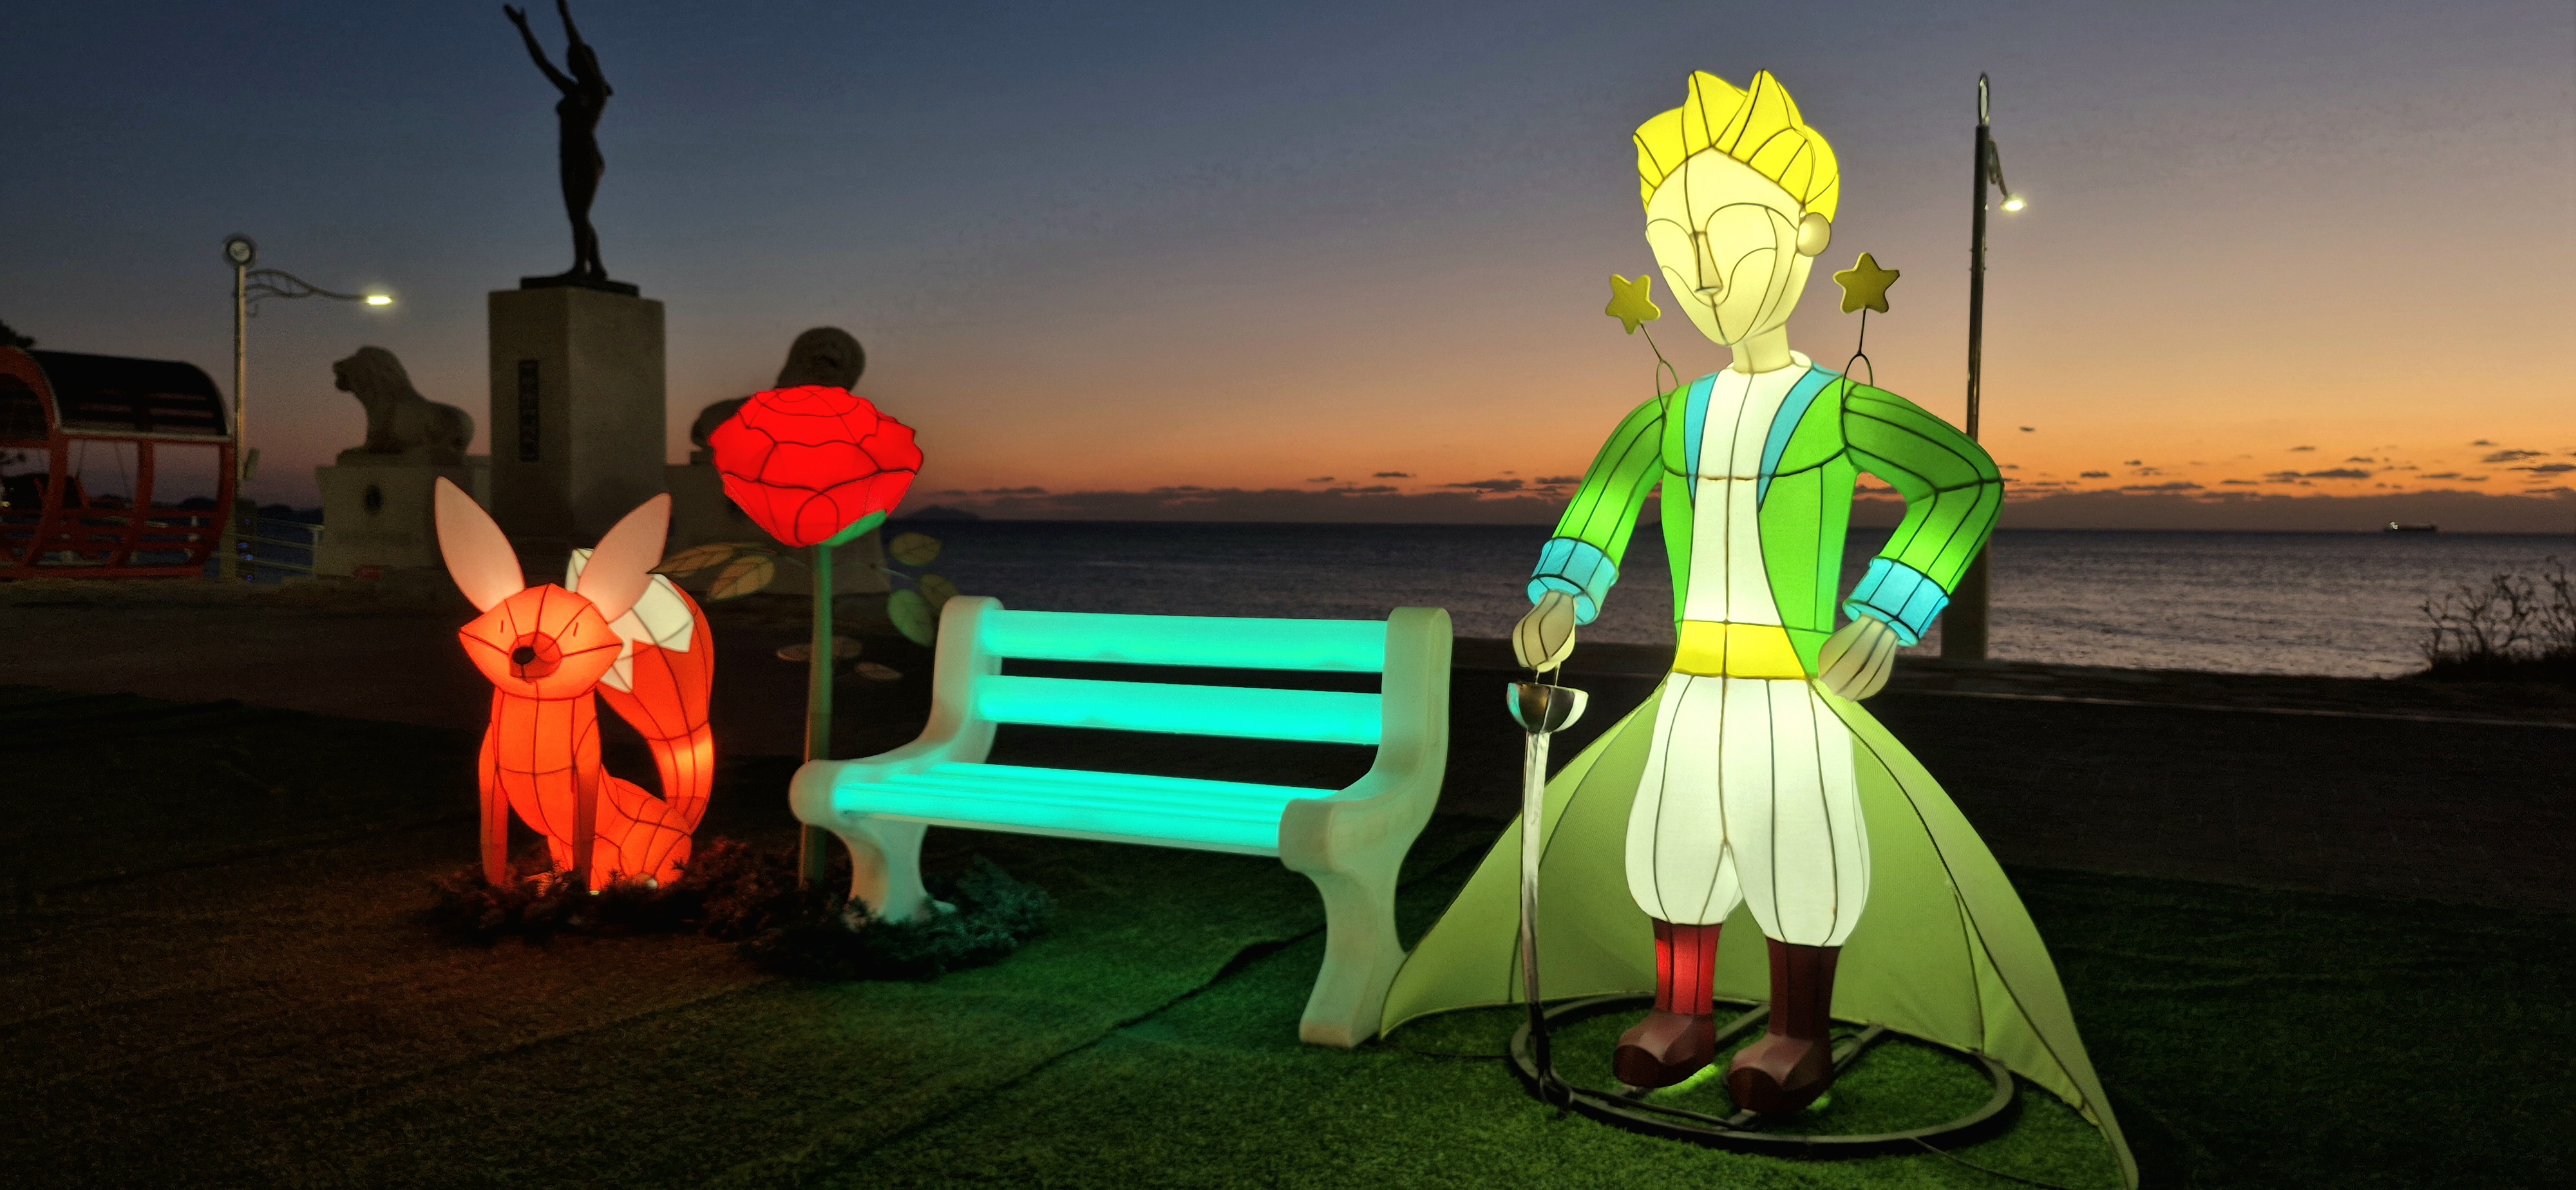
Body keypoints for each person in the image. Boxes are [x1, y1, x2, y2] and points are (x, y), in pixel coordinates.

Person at [1517, 69, 2001, 1112]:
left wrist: (1889, 612)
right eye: (1672, 244)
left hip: (1794, 687)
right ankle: (1681, 1014)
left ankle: (1796, 1034)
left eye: (1728, 231)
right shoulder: (1667, 417)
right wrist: (1564, 593)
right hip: (1693, 683)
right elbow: (1605, 499)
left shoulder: (1834, 408)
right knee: (1674, 842)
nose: (1700, 270)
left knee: (1801, 851)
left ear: (1808, 233)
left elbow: (1963, 480)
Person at [506, 1, 614, 283]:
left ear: (587, 62)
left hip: (586, 155)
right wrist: (524, 28)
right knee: (577, 215)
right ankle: (596, 267)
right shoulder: (571, 89)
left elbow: (577, 44)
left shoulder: (596, 90)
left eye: (574, 58)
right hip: (567, 157)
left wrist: (564, 14)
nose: (570, 61)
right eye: (569, 59)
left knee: (579, 214)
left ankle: (581, 268)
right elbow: (542, 63)